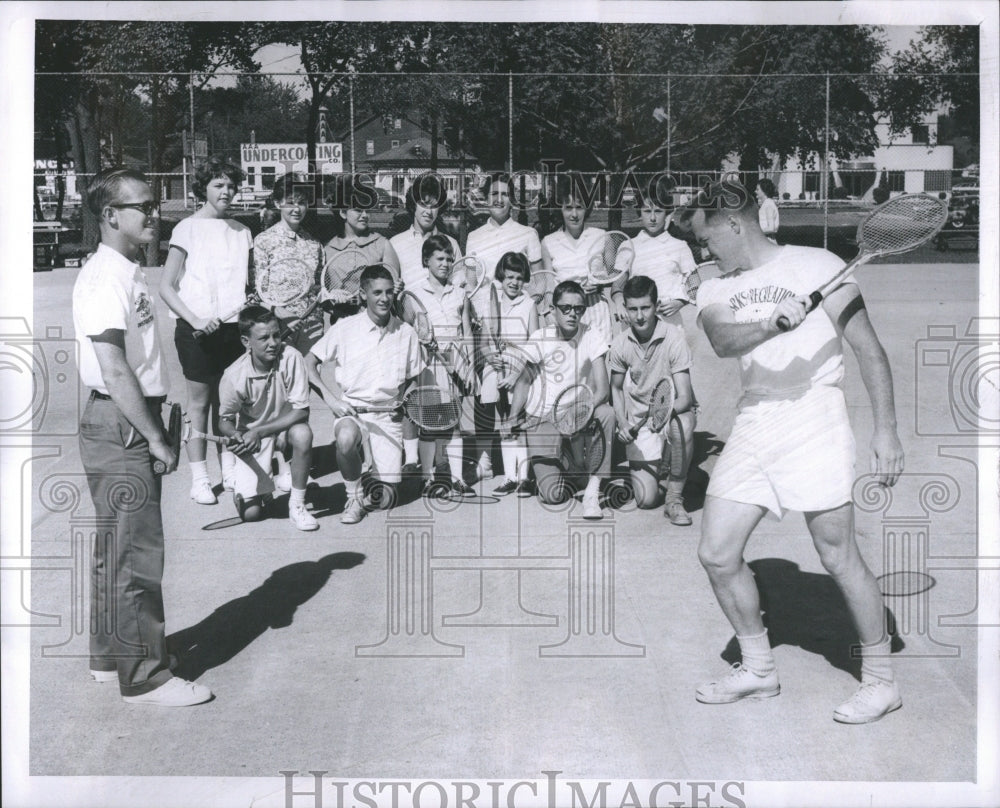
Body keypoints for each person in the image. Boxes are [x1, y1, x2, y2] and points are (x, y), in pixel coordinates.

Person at [673, 179, 904, 723]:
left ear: (734, 222)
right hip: (756, 417)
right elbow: (725, 342)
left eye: (707, 236)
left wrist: (887, 431)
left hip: (816, 414)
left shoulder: (819, 263)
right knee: (717, 551)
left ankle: (880, 680)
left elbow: (868, 349)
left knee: (835, 553)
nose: (705, 249)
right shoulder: (713, 288)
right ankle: (758, 668)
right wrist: (771, 321)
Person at [72, 167, 211, 706]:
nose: (154, 213)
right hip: (125, 419)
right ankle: (146, 675)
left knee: (117, 548)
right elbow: (113, 368)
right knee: (138, 552)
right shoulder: (108, 276)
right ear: (110, 216)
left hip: (123, 416)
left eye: (153, 205)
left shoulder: (126, 271)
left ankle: (113, 657)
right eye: (143, 206)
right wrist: (155, 437)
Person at [159, 156, 252, 505]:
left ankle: (228, 468)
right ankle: (200, 478)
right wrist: (197, 319)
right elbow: (167, 287)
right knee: (198, 406)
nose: (226, 191)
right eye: (218, 185)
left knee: (227, 407)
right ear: (204, 189)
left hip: (234, 331)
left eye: (231, 185)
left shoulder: (244, 232)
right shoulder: (186, 228)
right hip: (195, 331)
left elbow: (247, 286)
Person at [305, 265, 425, 525]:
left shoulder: (406, 332)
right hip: (352, 412)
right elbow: (309, 363)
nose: (384, 298)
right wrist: (331, 400)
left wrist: (405, 403)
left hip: (388, 418)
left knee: (387, 500)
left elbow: (414, 378)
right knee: (346, 439)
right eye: (378, 292)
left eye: (390, 292)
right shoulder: (345, 328)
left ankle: (370, 472)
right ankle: (354, 496)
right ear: (363, 294)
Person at [501, 281, 616, 520]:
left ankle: (592, 493)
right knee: (553, 496)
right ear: (553, 310)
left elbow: (603, 391)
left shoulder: (593, 335)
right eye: (565, 308)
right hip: (542, 418)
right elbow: (523, 383)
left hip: (577, 412)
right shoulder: (540, 338)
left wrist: (578, 414)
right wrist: (512, 419)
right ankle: (567, 465)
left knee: (606, 413)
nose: (572, 313)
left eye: (579, 308)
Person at [217, 306, 318, 532]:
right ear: (246, 341)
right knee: (252, 515)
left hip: (284, 428)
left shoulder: (291, 357)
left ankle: (297, 505)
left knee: (303, 433)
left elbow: (302, 411)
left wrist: (263, 431)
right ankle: (256, 486)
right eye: (263, 338)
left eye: (275, 335)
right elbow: (223, 421)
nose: (273, 343)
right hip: (253, 438)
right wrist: (236, 436)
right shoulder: (233, 376)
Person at [608, 275, 697, 525]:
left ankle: (675, 499)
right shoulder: (620, 343)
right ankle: (674, 470)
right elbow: (615, 389)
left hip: (671, 415)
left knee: (684, 426)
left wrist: (659, 415)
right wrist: (623, 422)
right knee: (646, 500)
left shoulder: (674, 337)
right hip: (641, 423)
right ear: (625, 309)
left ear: (656, 306)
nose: (639, 316)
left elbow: (685, 398)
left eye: (645, 308)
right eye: (633, 309)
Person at [406, 234, 476, 497]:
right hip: (428, 365)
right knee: (429, 422)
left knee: (455, 421)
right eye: (439, 259)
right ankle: (427, 478)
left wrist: (468, 364)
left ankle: (457, 478)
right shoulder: (413, 293)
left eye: (449, 259)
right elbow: (409, 332)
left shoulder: (460, 294)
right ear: (427, 260)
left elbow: (467, 330)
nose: (445, 264)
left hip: (456, 361)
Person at [480, 252, 540, 496]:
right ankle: (510, 476)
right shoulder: (491, 304)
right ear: (501, 278)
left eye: (518, 278)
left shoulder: (529, 305)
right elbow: (484, 342)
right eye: (509, 278)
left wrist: (517, 374)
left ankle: (525, 477)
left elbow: (536, 344)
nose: (514, 283)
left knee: (520, 423)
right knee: (505, 423)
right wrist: (488, 357)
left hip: (522, 372)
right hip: (497, 371)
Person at [610, 176, 698, 330]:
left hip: (670, 326)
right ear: (639, 213)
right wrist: (619, 302)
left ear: (667, 214)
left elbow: (695, 286)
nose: (652, 218)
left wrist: (680, 302)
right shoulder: (628, 246)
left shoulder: (680, 246)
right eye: (646, 211)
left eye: (658, 211)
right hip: (636, 325)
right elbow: (617, 285)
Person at [253, 174, 325, 356]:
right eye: (291, 202)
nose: (297, 209)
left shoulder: (314, 243)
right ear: (278, 203)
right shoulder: (264, 241)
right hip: (278, 328)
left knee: (309, 378)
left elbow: (319, 289)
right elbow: (258, 294)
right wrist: (283, 315)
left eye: (302, 203)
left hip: (312, 326)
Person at [539, 173, 614, 347]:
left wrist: (600, 283)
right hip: (565, 315)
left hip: (595, 311)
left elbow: (613, 276)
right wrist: (551, 317)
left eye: (579, 207)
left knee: (597, 371)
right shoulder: (548, 242)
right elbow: (550, 287)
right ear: (560, 209)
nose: (574, 214)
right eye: (568, 207)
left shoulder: (601, 236)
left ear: (587, 209)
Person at [323, 174, 402, 325]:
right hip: (340, 323)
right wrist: (332, 298)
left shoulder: (382, 244)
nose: (365, 215)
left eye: (367, 210)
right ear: (342, 213)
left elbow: (393, 288)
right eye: (358, 210)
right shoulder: (328, 249)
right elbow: (323, 295)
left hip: (376, 323)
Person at [465, 172, 543, 281]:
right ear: (487, 199)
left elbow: (540, 282)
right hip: (482, 297)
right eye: (494, 194)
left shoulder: (529, 234)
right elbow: (470, 283)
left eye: (505, 194)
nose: (499, 200)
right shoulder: (473, 237)